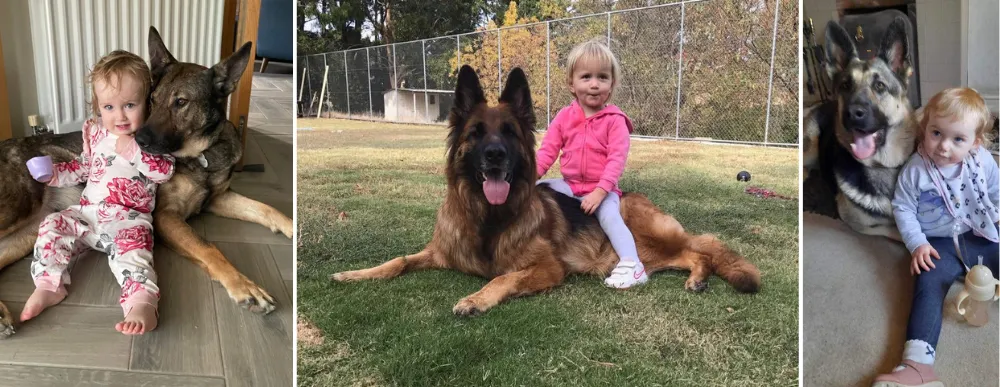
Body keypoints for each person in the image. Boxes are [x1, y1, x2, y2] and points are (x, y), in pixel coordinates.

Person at [21, 50, 176, 335]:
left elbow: (164, 171)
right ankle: (49, 284)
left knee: (134, 256)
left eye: (130, 105)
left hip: (128, 221)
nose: (120, 116)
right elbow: (84, 166)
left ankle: (141, 303)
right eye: (109, 107)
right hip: (87, 216)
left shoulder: (150, 137)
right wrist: (54, 174)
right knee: (52, 225)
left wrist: (134, 151)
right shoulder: (94, 132)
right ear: (98, 107)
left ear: (148, 104)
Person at [875, 88, 999, 386]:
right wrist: (918, 243)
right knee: (928, 281)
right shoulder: (916, 171)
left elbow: (995, 194)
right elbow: (902, 208)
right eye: (936, 133)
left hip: (979, 230)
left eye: (958, 139)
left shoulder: (983, 162)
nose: (943, 146)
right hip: (938, 242)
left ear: (975, 142)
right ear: (925, 130)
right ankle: (918, 365)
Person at [536, 39, 645, 289]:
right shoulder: (564, 117)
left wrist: (600, 192)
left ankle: (632, 264)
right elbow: (546, 153)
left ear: (612, 84)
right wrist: (527, 178)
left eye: (602, 77)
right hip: (570, 186)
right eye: (586, 77)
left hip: (602, 189)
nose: (594, 84)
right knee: (539, 189)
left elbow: (616, 161)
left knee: (609, 217)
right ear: (571, 84)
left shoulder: (615, 121)